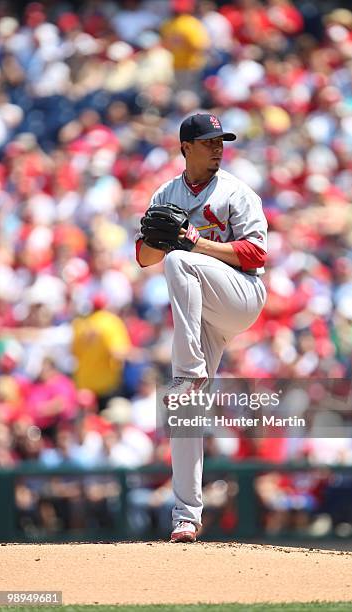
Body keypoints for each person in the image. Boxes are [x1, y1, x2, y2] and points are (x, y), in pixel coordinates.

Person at [135, 112, 267, 542]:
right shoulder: (166, 193)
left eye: (220, 141)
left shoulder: (236, 191)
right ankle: (186, 516)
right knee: (183, 410)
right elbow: (143, 258)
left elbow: (255, 255)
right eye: (208, 141)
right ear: (186, 147)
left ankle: (191, 374)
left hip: (241, 296)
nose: (217, 147)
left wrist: (194, 241)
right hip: (202, 310)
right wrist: (162, 240)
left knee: (181, 259)